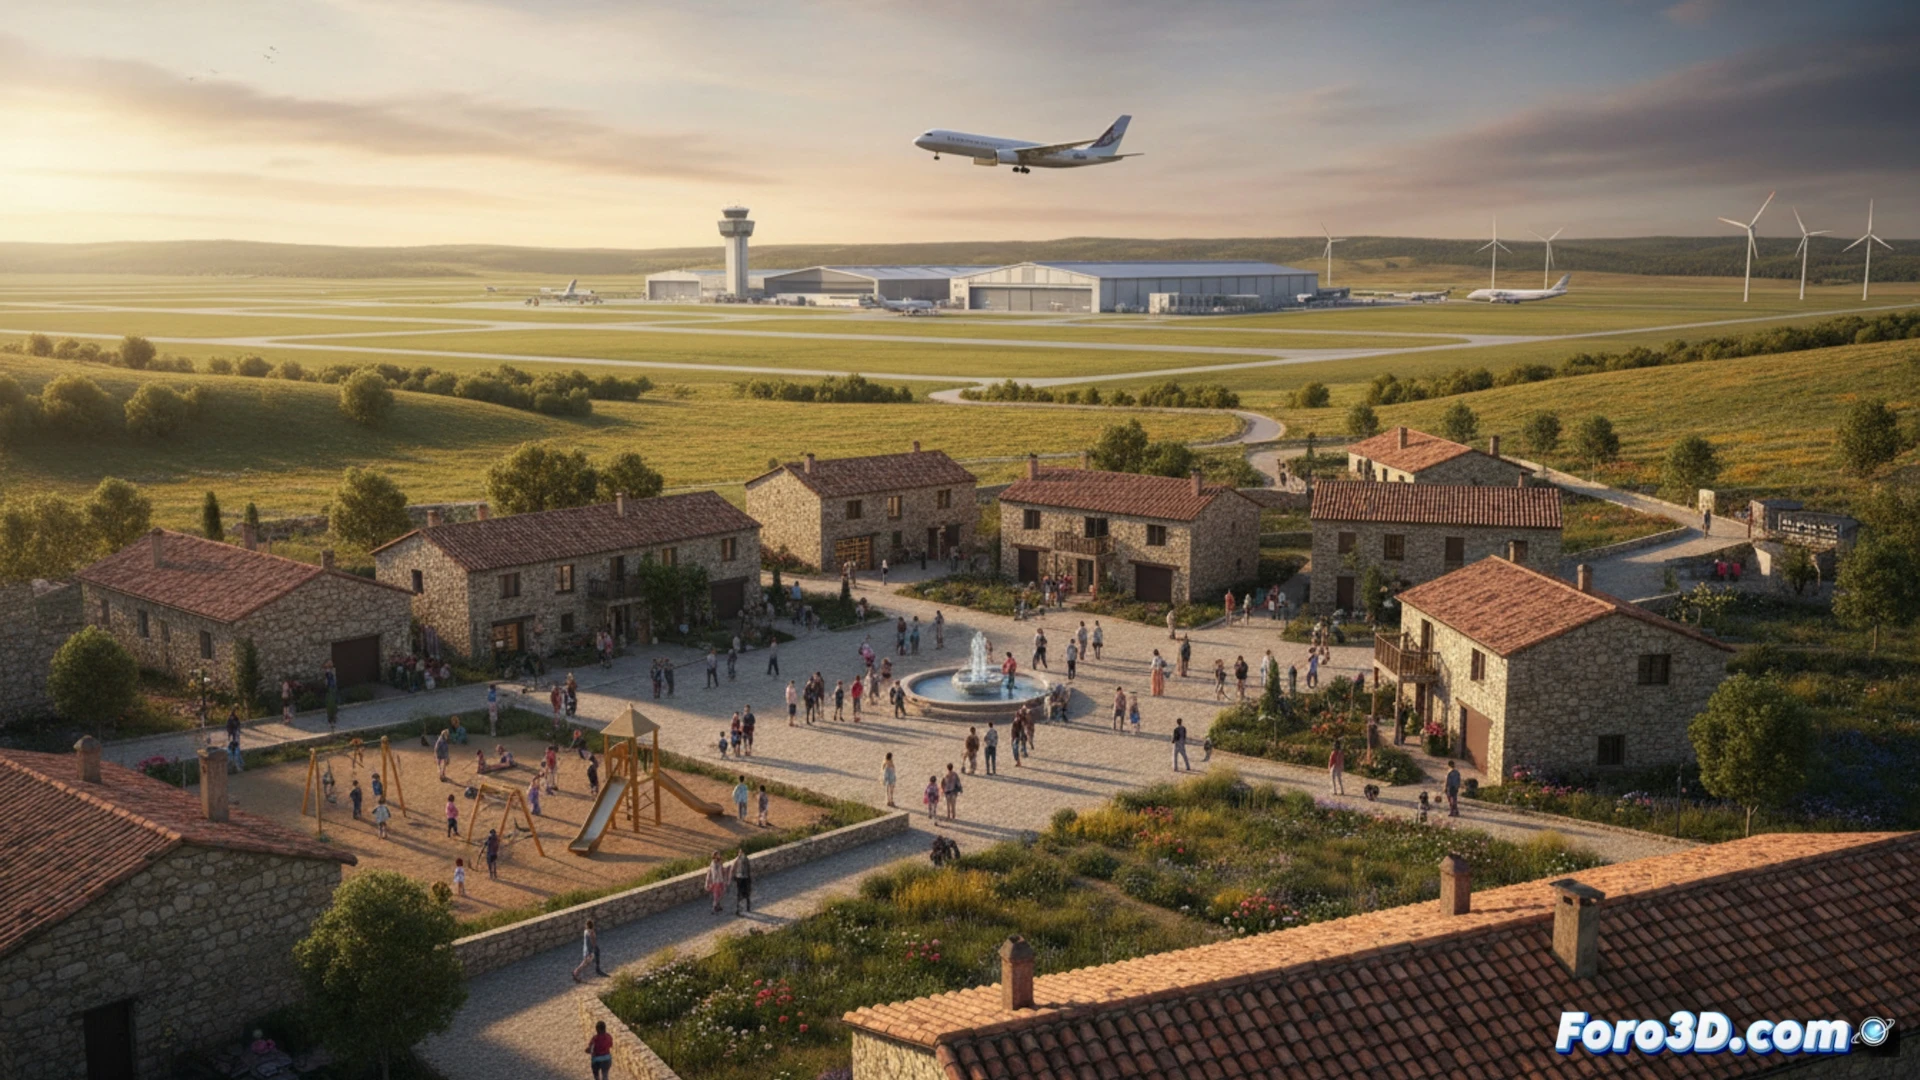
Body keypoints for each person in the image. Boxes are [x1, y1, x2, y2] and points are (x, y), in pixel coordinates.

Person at [573, 919, 606, 985]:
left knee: (585, 964)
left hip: (585, 950)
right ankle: (575, 974)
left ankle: (577, 975)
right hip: (589, 952)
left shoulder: (585, 931)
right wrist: (595, 949)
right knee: (584, 964)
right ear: (593, 925)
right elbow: (593, 943)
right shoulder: (591, 933)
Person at [730, 848, 754, 914]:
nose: (740, 854)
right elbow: (733, 868)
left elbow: (748, 869)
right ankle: (738, 909)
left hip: (745, 878)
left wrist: (749, 878)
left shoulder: (746, 859)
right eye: (740, 852)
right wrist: (733, 876)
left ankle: (747, 907)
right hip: (739, 878)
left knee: (747, 893)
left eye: (742, 852)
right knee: (739, 893)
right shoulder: (737, 860)